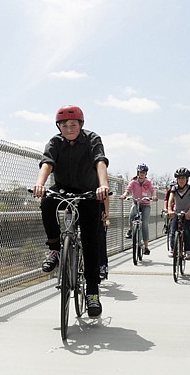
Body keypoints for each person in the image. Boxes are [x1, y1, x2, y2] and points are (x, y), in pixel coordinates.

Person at [32, 105, 110, 318]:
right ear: (59, 127)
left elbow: (100, 162)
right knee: (47, 202)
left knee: (90, 241)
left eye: (73, 124)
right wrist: (40, 183)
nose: (68, 128)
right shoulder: (55, 142)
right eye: (64, 125)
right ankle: (56, 249)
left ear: (81, 124)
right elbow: (47, 163)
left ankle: (93, 292)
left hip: (88, 193)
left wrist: (102, 186)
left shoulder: (92, 139)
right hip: (63, 191)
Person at [120, 163, 157, 254]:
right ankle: (130, 230)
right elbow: (128, 190)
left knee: (144, 224)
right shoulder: (134, 182)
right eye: (140, 172)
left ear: (146, 174)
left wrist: (154, 196)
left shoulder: (148, 182)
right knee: (131, 215)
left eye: (143, 172)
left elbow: (153, 190)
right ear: (137, 172)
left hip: (146, 204)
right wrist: (124, 195)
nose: (142, 174)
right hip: (136, 203)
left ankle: (146, 246)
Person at [168, 167, 190, 260]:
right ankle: (173, 249)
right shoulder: (174, 188)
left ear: (187, 179)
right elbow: (171, 199)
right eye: (179, 178)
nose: (181, 180)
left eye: (183, 178)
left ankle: (189, 251)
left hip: (187, 212)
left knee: (187, 232)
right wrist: (169, 210)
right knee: (173, 231)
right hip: (177, 212)